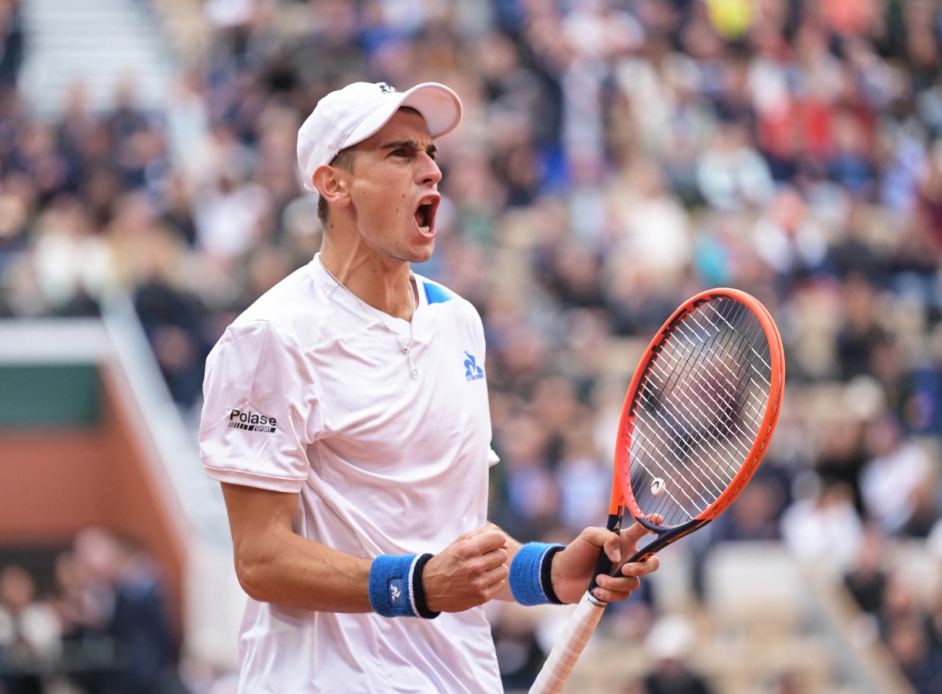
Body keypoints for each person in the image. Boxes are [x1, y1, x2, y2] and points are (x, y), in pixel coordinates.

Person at [197, 81, 660, 692]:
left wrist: (550, 573)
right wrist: (416, 585)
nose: (432, 171)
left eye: (431, 152)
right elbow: (261, 560)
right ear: (334, 184)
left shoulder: (459, 321)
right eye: (400, 153)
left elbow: (449, 540)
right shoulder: (269, 337)